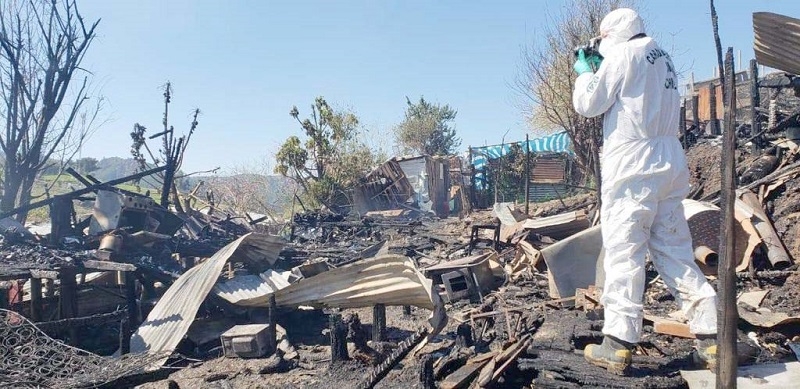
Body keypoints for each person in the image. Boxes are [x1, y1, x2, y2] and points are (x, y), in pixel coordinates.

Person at [571, 8, 718, 375]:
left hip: (634, 163)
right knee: (675, 250)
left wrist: (586, 72)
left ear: (611, 35)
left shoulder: (622, 54)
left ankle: (617, 344)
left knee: (625, 250)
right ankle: (713, 337)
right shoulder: (661, 57)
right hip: (669, 158)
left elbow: (589, 104)